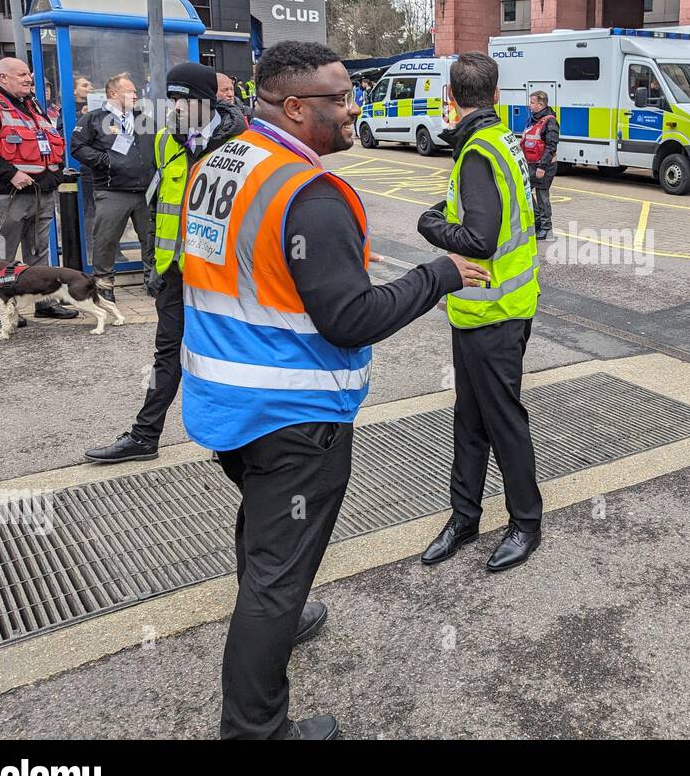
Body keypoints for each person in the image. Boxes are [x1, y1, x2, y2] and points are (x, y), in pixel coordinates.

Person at [177, 41, 486, 740]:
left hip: (226, 400)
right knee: (275, 573)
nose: (355, 109)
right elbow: (351, 321)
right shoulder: (310, 193)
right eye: (341, 99)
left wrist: (325, 263)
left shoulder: (222, 161)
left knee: (265, 538)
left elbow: (240, 264)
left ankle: (280, 615)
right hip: (293, 413)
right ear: (295, 107)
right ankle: (257, 731)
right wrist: (438, 275)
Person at [83, 63, 247, 465]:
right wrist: (155, 266)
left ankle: (231, 440)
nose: (175, 106)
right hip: (175, 272)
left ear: (207, 101)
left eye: (183, 99)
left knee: (227, 356)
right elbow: (158, 209)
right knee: (166, 355)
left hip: (221, 276)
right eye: (171, 98)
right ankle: (145, 436)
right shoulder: (163, 141)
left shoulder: (242, 143)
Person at [418, 51, 543, 574]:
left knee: (501, 419)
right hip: (486, 311)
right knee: (469, 419)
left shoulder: (477, 153)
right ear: (496, 95)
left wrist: (430, 226)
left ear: (451, 98)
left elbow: (480, 238)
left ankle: (526, 523)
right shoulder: (500, 138)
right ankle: (464, 516)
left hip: (495, 312)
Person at [0, 57, 77, 321]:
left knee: (39, 251)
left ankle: (45, 303)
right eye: (22, 74)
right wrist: (10, 173)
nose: (28, 79)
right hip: (8, 195)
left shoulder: (31, 104)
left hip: (40, 193)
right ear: (3, 78)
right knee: (4, 255)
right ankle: (5, 310)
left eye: (29, 75)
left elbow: (47, 143)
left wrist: (55, 174)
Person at [69, 73, 155, 299]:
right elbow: (77, 147)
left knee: (150, 237)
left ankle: (151, 280)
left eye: (136, 91)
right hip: (112, 190)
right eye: (130, 91)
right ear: (113, 93)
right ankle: (104, 286)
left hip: (145, 190)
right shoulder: (94, 119)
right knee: (106, 240)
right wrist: (105, 161)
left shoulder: (143, 119)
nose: (136, 95)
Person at [521, 89, 559, 239]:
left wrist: (542, 167)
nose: (530, 105)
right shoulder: (534, 119)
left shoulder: (550, 121)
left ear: (541, 104)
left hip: (544, 167)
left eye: (532, 102)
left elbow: (551, 146)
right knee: (524, 192)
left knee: (542, 196)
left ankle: (546, 228)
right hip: (531, 164)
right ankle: (537, 220)